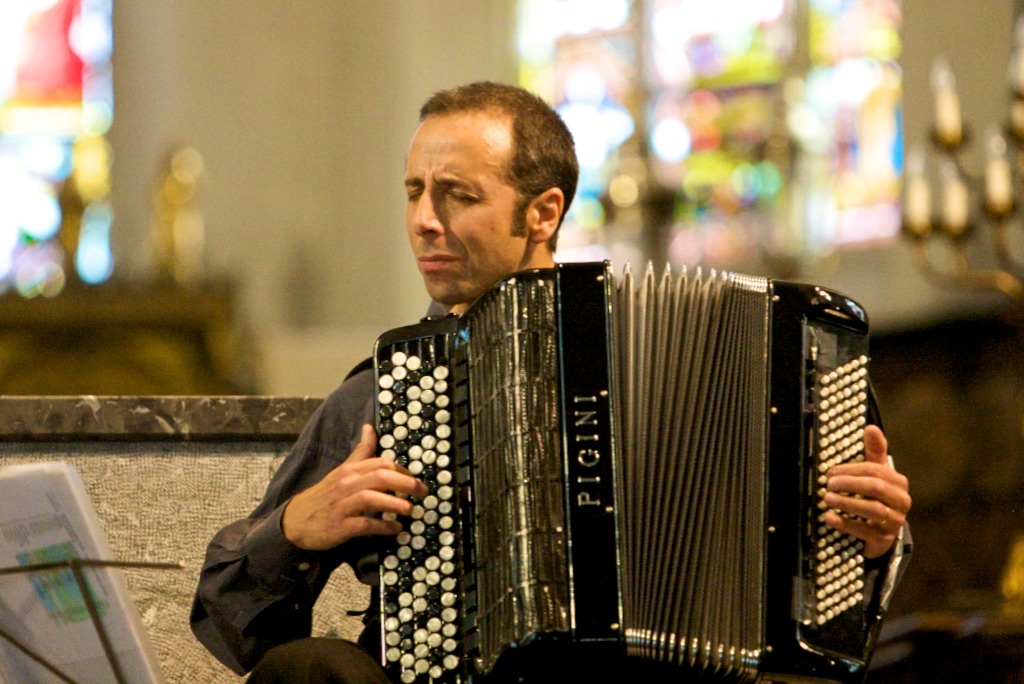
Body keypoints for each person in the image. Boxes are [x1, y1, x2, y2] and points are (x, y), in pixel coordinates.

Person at [191, 81, 912, 683]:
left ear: (543, 213)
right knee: (310, 672)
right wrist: (294, 528)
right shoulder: (383, 394)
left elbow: (833, 606)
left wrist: (873, 542)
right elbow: (228, 621)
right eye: (414, 191)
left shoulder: (764, 352)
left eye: (456, 195)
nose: (422, 221)